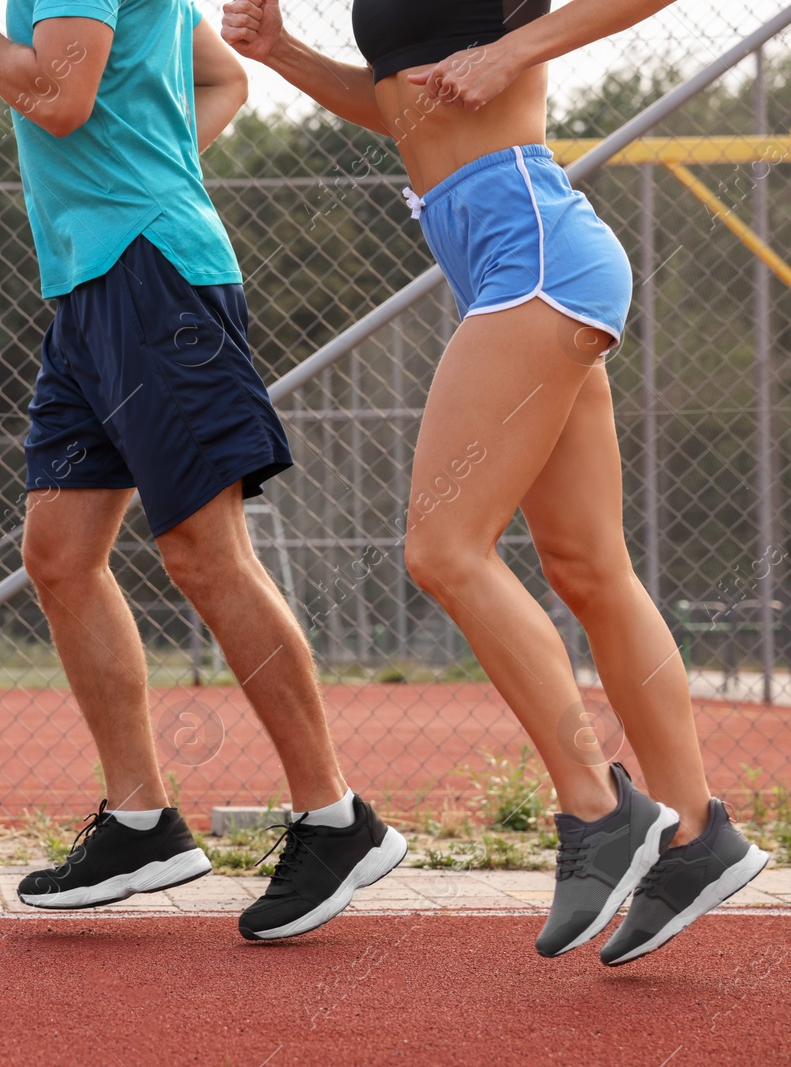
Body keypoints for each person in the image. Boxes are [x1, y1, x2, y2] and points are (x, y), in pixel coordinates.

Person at [221, 0, 768, 964]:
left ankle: (598, 808)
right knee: (588, 566)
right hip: (494, 248)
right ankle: (692, 833)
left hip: (534, 244)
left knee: (443, 549)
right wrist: (284, 53)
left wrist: (512, 49)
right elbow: (408, 107)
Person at [0, 0, 407, 939]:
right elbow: (224, 74)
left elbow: (62, 101)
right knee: (60, 556)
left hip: (150, 276)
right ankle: (142, 819)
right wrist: (162, 154)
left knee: (202, 550)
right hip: (88, 291)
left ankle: (335, 815)